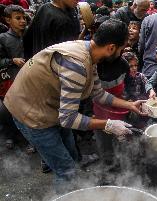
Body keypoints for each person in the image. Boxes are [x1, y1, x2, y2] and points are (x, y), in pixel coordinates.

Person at [3, 19, 146, 193]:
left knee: (72, 156)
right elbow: (68, 118)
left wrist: (130, 105)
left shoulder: (90, 51)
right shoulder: (76, 65)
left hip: (51, 108)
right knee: (66, 171)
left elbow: (98, 93)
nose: (122, 53)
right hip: (30, 114)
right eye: (121, 49)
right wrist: (108, 124)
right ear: (111, 47)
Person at [0, 5, 31, 150]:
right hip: (11, 81)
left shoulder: (29, 35)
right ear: (7, 20)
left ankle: (31, 139)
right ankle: (10, 136)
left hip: (31, 79)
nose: (22, 21)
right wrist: (12, 60)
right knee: (8, 110)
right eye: (18, 18)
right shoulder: (3, 38)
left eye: (24, 17)